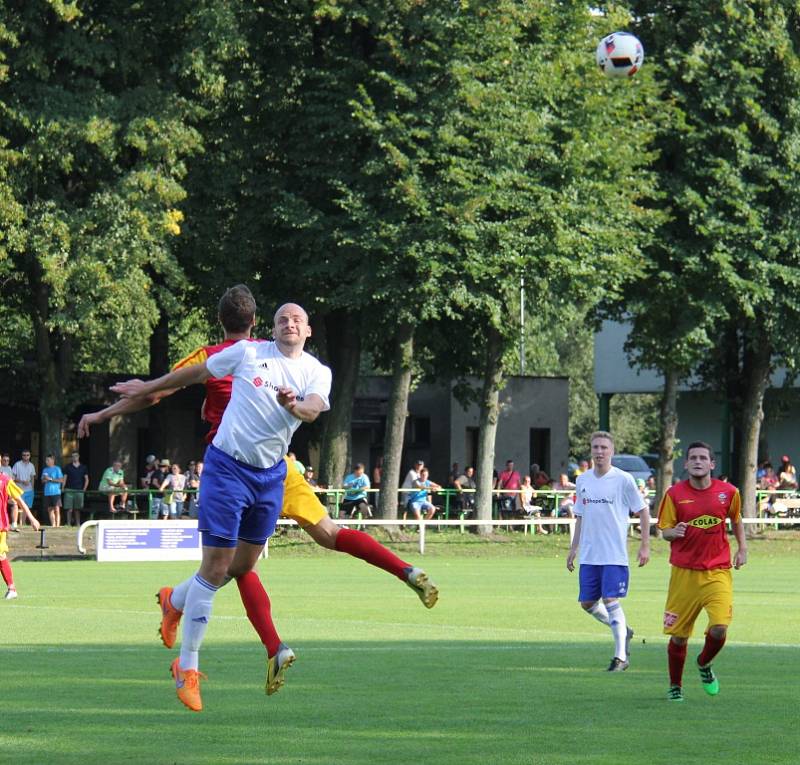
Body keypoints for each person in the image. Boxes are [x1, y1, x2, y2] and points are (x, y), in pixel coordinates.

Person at [105, 289, 437, 709]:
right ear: (271, 326)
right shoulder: (246, 352)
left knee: (243, 566)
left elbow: (314, 409)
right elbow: (191, 375)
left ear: (308, 330)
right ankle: (187, 667)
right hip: (227, 469)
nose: (290, 323)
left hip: (273, 475)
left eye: (297, 319)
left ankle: (175, 601)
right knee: (217, 567)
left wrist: (294, 405)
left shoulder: (318, 372)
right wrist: (148, 385)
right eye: (283, 318)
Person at [657, 441, 747, 702]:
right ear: (685, 464)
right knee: (678, 638)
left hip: (717, 571)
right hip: (683, 574)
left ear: (712, 464)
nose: (698, 461)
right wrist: (674, 532)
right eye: (693, 458)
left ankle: (704, 663)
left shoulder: (728, 492)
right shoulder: (674, 494)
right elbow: (664, 530)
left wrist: (742, 548)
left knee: (719, 628)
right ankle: (675, 686)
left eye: (702, 458)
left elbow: (736, 519)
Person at [566, 431, 650, 671]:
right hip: (589, 555)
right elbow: (580, 515)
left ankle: (621, 657)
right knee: (587, 603)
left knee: (610, 599)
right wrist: (574, 548)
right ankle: (624, 630)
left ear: (611, 451)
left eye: (604, 447)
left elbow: (643, 511)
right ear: (590, 451)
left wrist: (645, 545)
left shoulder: (623, 479)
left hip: (614, 554)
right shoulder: (583, 481)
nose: (599, 451)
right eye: (595, 447)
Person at [0, 471, 40, 599]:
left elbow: (19, 500)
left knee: (0, 554)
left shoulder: (5, 480)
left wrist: (32, 518)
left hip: (0, 525)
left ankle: (12, 588)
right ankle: (11, 588)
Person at [11, 450, 36, 530]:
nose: (26, 456)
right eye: (24, 455)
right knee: (19, 507)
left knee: (27, 507)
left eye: (27, 455)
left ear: (30, 456)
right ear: (22, 456)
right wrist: (22, 481)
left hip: (29, 490)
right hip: (19, 489)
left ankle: (23, 523)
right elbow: (12, 478)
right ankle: (19, 523)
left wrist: (32, 488)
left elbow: (32, 478)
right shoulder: (17, 464)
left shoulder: (32, 465)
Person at [63, 451, 89, 527]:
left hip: (79, 490)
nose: (74, 457)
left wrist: (84, 489)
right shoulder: (68, 467)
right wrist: (63, 487)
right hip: (69, 489)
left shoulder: (83, 467)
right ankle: (68, 524)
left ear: (78, 456)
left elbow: (87, 479)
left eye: (76, 456)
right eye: (73, 456)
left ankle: (78, 524)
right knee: (69, 508)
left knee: (77, 509)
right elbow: (65, 477)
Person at [41, 454, 64, 527]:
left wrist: (50, 479)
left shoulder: (57, 469)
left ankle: (57, 525)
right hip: (47, 492)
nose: (46, 461)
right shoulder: (45, 470)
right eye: (46, 460)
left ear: (52, 460)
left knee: (57, 509)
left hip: (56, 492)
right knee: (50, 510)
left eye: (48, 460)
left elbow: (61, 480)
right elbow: (42, 481)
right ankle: (53, 525)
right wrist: (44, 480)